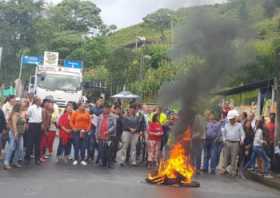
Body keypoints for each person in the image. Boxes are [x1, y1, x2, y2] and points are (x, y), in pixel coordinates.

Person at [221, 110, 245, 176]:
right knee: (225, 156)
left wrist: (242, 140)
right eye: (230, 119)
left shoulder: (239, 125)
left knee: (234, 157)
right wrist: (224, 140)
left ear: (234, 118)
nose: (231, 120)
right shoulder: (226, 125)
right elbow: (224, 134)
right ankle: (224, 169)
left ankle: (232, 171)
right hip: (227, 142)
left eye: (232, 119)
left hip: (235, 143)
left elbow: (242, 134)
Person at [3, 103, 25, 169]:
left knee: (20, 148)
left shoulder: (20, 114)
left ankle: (14, 161)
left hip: (20, 134)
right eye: (22, 106)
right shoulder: (15, 114)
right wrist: (15, 133)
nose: (22, 107)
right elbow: (14, 124)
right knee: (11, 148)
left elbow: (23, 123)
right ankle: (6, 163)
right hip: (14, 133)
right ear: (18, 107)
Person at [96, 103, 116, 168]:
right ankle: (102, 162)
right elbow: (98, 126)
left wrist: (108, 131)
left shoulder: (113, 116)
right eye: (104, 108)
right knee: (101, 149)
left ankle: (109, 163)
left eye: (106, 108)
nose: (105, 109)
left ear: (109, 109)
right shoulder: (100, 116)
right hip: (101, 135)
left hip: (109, 136)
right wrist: (96, 134)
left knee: (109, 150)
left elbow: (114, 126)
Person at [25, 97, 43, 165]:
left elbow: (41, 118)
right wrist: (27, 123)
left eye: (40, 101)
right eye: (39, 101)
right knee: (30, 143)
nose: (40, 102)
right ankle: (27, 158)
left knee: (38, 143)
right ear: (36, 101)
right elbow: (27, 115)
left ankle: (37, 159)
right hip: (32, 125)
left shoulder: (41, 109)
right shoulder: (31, 107)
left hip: (38, 126)